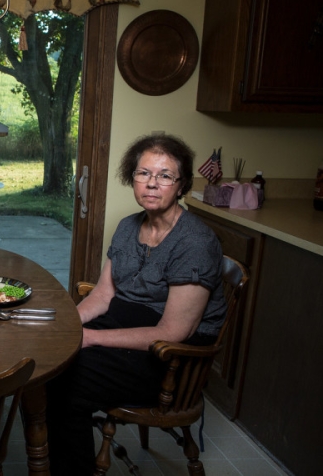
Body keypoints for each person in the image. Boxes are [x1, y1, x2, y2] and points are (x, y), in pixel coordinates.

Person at [45, 133, 226, 475]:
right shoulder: (129, 226)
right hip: (124, 328)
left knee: (65, 383)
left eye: (165, 175)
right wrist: (65, 328)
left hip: (168, 357)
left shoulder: (195, 242)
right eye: (144, 173)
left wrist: (91, 339)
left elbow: (172, 331)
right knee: (47, 361)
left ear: (182, 183)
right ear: (133, 177)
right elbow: (102, 295)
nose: (152, 184)